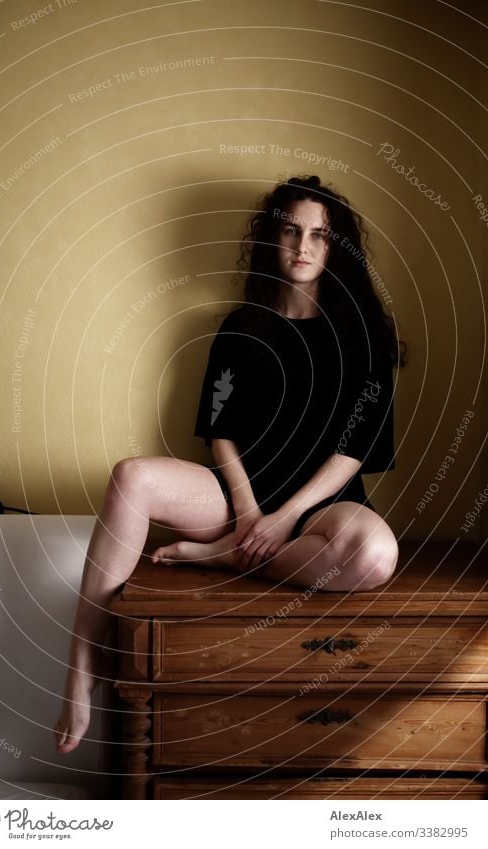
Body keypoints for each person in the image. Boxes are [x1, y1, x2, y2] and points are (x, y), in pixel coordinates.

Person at [54, 174, 407, 753]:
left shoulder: (367, 337)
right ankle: (80, 672)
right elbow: (220, 434)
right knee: (131, 478)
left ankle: (225, 562)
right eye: (292, 229)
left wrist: (283, 516)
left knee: (377, 555)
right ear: (273, 238)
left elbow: (357, 449)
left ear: (335, 247)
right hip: (236, 497)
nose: (303, 245)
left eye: (320, 234)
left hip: (323, 508)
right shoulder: (240, 327)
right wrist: (248, 511)